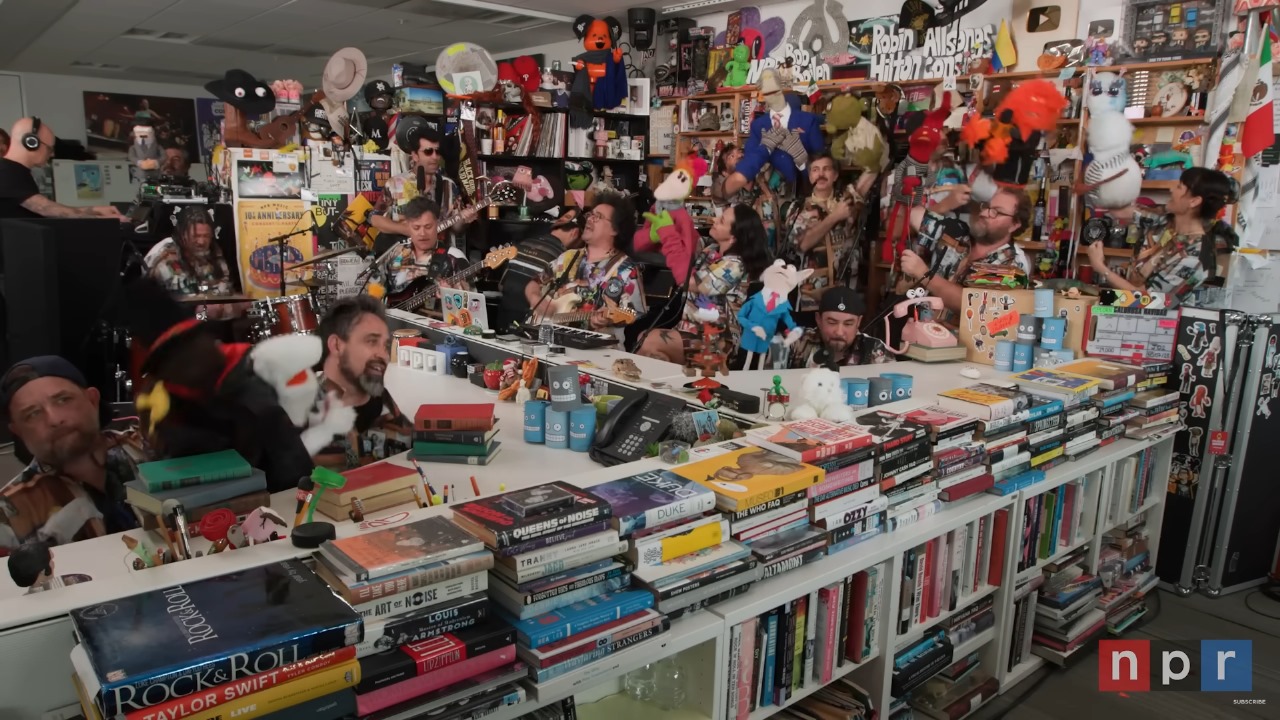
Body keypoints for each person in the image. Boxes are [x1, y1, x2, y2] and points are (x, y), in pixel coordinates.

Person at [0, 356, 146, 553]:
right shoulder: (10, 513)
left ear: (93, 400)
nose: (54, 419)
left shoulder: (155, 448)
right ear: (18, 432)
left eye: (63, 400)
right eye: (32, 414)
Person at [1085, 167, 1237, 308]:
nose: (1172, 190)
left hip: (1156, 326)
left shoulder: (1196, 258)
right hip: (1125, 309)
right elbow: (1120, 212)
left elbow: (1149, 301)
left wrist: (1100, 267)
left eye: (1179, 187)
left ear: (1194, 201)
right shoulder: (1166, 219)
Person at [638, 203, 771, 363]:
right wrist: (669, 213)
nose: (714, 219)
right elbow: (687, 241)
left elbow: (692, 283)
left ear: (733, 237)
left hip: (718, 342)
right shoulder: (712, 249)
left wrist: (669, 236)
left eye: (721, 221)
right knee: (645, 340)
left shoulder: (735, 265)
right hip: (691, 331)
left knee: (650, 340)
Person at [528, 195, 645, 342]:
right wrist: (535, 299)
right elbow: (534, 283)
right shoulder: (568, 257)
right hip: (552, 343)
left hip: (598, 351)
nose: (589, 219)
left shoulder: (626, 270)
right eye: (590, 214)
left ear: (615, 230)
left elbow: (634, 314)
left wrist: (607, 320)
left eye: (598, 217)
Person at [900, 185, 1033, 314]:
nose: (984, 213)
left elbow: (968, 303)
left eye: (996, 212)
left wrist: (924, 274)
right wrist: (947, 203)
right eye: (987, 206)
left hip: (963, 336)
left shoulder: (1012, 266)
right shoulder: (958, 233)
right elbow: (913, 214)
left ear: (1014, 225)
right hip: (921, 328)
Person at [312, 297, 410, 469]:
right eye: (371, 342)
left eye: (385, 345)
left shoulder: (379, 397)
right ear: (336, 346)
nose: (384, 355)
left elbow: (410, 443)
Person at [781, 153, 878, 313]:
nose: (820, 174)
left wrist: (878, 150)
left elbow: (863, 184)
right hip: (810, 294)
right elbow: (802, 244)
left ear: (835, 175)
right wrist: (835, 217)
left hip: (845, 288)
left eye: (826, 169)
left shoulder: (846, 202)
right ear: (810, 176)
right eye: (815, 170)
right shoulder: (798, 208)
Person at [372, 126, 475, 250]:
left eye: (437, 151)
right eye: (428, 151)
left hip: (438, 259)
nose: (434, 157)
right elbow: (376, 219)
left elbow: (456, 227)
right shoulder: (395, 184)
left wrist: (465, 219)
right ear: (415, 155)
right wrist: (407, 229)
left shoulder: (448, 186)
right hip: (402, 259)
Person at [0, 118, 124, 220]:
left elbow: (47, 208)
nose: (52, 154)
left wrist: (94, 210)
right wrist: (105, 220)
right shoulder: (7, 171)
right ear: (31, 143)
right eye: (49, 148)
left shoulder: (16, 171)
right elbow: (44, 208)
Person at [144, 206, 246, 319]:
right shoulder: (167, 256)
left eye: (206, 236)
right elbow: (184, 304)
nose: (201, 241)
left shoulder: (212, 250)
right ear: (182, 234)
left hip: (207, 323)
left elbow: (223, 286)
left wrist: (235, 302)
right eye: (195, 236)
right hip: (172, 322)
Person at [498, 207, 583, 330]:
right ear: (575, 233)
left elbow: (501, 285)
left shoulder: (522, 244)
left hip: (503, 315)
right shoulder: (563, 258)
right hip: (531, 321)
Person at [377, 197, 471, 304]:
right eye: (416, 228)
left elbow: (471, 307)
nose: (422, 233)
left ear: (437, 224)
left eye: (428, 226)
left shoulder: (453, 257)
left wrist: (452, 297)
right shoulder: (395, 253)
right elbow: (376, 292)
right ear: (408, 226)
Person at [786, 287, 879, 368]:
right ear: (818, 319)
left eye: (848, 324)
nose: (839, 332)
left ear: (858, 322)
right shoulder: (796, 343)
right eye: (832, 322)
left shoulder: (874, 349)